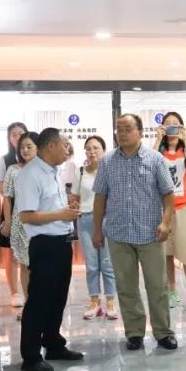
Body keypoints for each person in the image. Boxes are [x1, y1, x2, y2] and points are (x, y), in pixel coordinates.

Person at [93, 114, 178, 351]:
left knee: (157, 286)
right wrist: (97, 230)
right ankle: (134, 333)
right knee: (126, 287)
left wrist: (165, 223)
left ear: (140, 132)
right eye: (118, 129)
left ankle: (163, 332)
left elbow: (168, 195)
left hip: (150, 233)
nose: (122, 133)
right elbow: (100, 198)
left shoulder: (155, 159)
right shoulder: (107, 162)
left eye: (127, 129)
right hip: (118, 235)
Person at [14, 128, 84, 371]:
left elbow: (50, 207)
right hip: (44, 244)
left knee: (58, 298)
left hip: (62, 242)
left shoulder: (54, 172)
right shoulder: (30, 175)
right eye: (64, 144)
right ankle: (31, 356)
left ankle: (53, 343)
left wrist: (67, 210)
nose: (67, 149)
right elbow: (27, 216)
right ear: (51, 146)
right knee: (40, 300)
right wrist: (60, 214)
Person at [153, 111, 186, 310]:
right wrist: (158, 139)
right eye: (168, 124)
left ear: (182, 126)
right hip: (163, 207)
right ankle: (171, 292)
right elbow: (150, 164)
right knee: (166, 253)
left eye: (176, 124)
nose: (172, 127)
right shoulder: (159, 149)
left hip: (185, 206)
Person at [75, 135, 118, 320]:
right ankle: (94, 302)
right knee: (92, 265)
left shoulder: (111, 171)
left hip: (108, 219)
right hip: (86, 220)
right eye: (88, 148)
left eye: (95, 148)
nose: (91, 152)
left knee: (108, 264)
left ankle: (110, 302)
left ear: (104, 150)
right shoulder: (80, 172)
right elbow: (75, 197)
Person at [1, 131, 38, 319]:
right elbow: (7, 198)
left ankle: (41, 304)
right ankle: (29, 305)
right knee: (24, 264)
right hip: (20, 222)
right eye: (22, 147)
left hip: (41, 221)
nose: (25, 150)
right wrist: (7, 223)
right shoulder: (13, 170)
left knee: (40, 265)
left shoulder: (44, 169)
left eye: (29, 146)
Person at [0, 122, 28, 306]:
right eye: (13, 134)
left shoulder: (35, 157)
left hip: (30, 210)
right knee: (12, 253)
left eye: (20, 133)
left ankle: (29, 292)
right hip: (11, 206)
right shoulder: (5, 160)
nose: (17, 137)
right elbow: (1, 187)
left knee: (28, 253)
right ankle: (14, 292)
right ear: (9, 138)